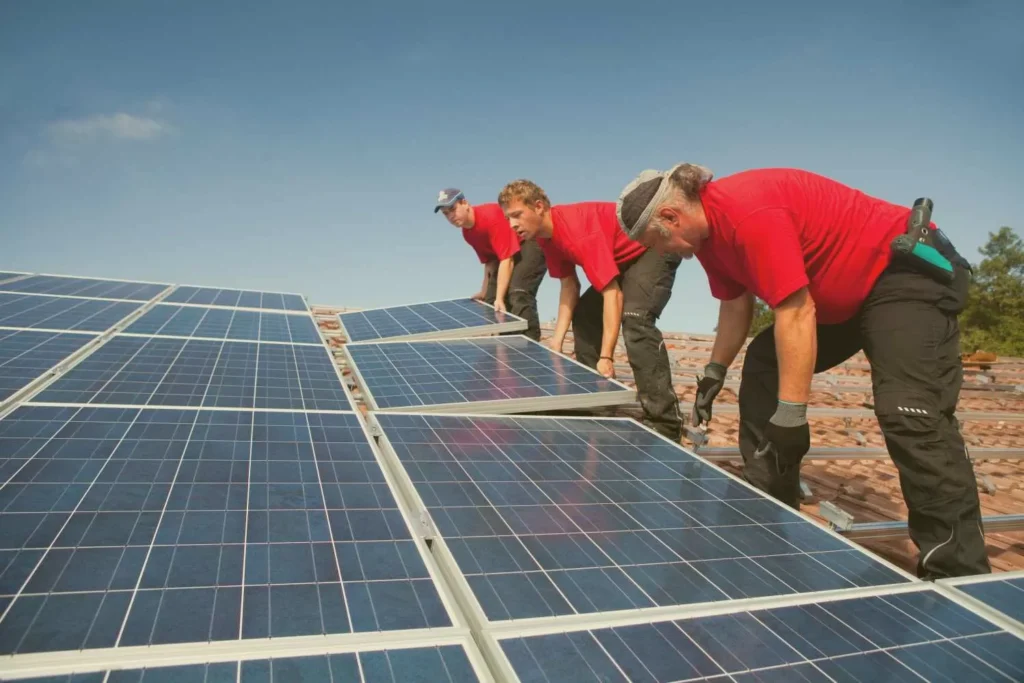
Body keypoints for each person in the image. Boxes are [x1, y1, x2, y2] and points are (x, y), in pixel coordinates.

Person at [614, 162, 989, 579]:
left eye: (659, 243)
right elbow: (735, 305)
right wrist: (714, 371)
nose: (665, 254)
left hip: (900, 273)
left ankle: (960, 574)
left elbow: (795, 311)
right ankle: (770, 505)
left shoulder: (748, 212)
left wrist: (791, 416)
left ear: (671, 216)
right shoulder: (706, 241)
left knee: (909, 410)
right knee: (764, 364)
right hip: (843, 300)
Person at [497, 179, 683, 441]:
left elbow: (612, 294)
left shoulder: (577, 231)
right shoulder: (547, 239)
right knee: (584, 315)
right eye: (507, 218)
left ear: (538, 207)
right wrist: (557, 342)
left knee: (636, 319)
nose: (511, 225)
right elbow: (569, 286)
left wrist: (606, 357)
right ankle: (597, 399)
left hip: (652, 247)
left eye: (517, 215)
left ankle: (664, 423)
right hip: (624, 261)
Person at [435, 187, 545, 341]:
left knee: (518, 291)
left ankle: (530, 344)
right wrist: (484, 290)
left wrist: (499, 298)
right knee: (489, 300)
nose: (451, 216)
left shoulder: (490, 217)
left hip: (530, 242)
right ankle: (508, 345)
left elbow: (507, 260)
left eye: (453, 209)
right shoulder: (468, 234)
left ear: (465, 203)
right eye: (446, 214)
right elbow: (490, 262)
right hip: (507, 255)